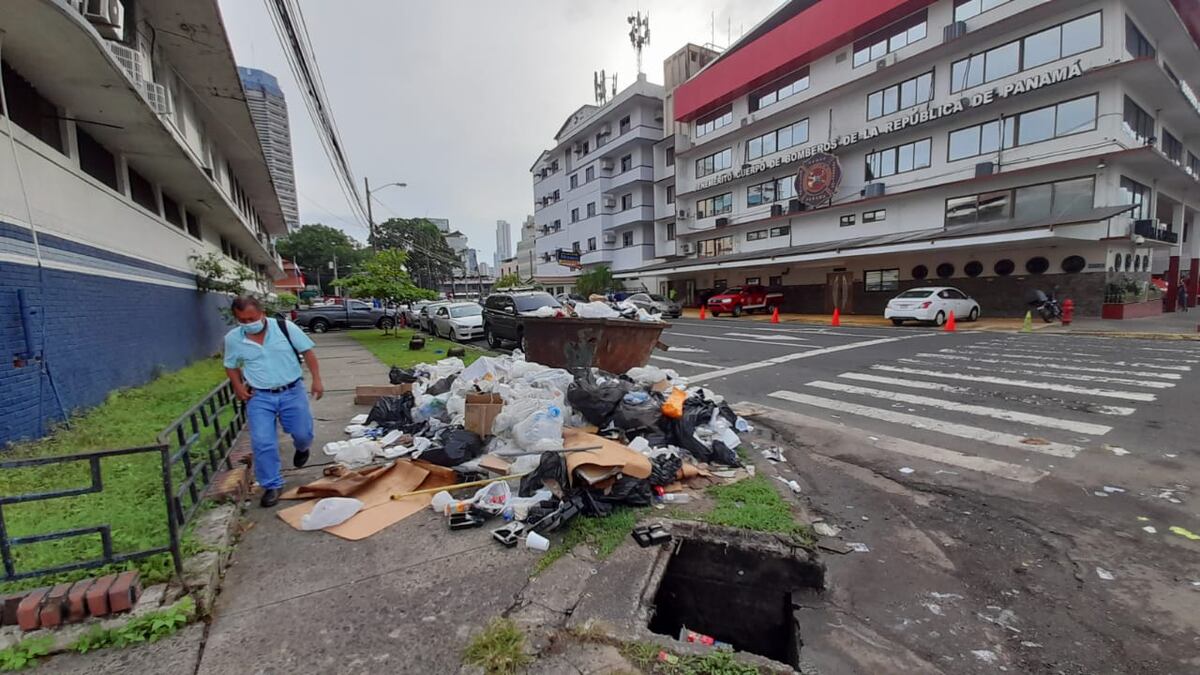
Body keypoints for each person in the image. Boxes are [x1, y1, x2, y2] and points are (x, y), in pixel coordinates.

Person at [223, 296, 324, 507]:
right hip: (259, 396)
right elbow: (231, 365)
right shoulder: (233, 338)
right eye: (242, 320)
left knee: (303, 432)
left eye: (252, 318)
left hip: (291, 390)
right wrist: (238, 386)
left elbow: (308, 353)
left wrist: (317, 380)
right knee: (262, 442)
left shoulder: (285, 328)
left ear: (262, 313)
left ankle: (302, 448)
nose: (249, 323)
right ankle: (272, 484)